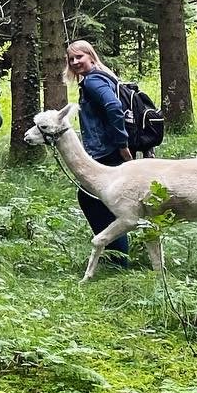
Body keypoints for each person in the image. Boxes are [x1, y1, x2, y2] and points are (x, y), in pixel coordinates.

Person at [66, 39, 132, 266]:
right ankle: (115, 256)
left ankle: (117, 259)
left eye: (79, 57)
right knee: (102, 201)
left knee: (95, 200)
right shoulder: (103, 77)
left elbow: (113, 106)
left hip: (107, 151)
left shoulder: (93, 81)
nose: (75, 62)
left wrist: (122, 144)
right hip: (109, 149)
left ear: (91, 56)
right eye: (71, 59)